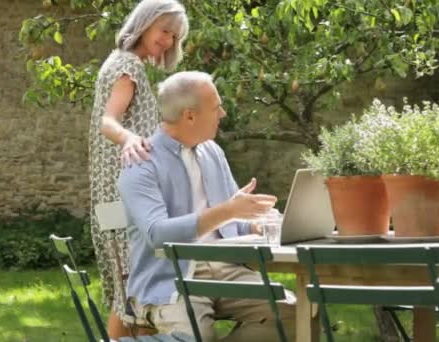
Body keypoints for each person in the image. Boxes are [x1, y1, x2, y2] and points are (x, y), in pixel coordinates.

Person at [117, 71, 296, 341]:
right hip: (172, 277)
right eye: (216, 107)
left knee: (293, 312)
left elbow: (230, 221)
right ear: (190, 115)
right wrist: (230, 210)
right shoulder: (141, 162)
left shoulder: (212, 152)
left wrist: (255, 223)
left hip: (227, 270)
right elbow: (157, 234)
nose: (222, 113)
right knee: (194, 336)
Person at [88, 0, 188, 338]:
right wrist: (130, 139)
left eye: (174, 37)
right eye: (165, 31)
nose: (169, 41)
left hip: (111, 195)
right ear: (144, 24)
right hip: (123, 194)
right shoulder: (128, 65)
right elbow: (108, 121)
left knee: (129, 286)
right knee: (131, 289)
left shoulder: (122, 63)